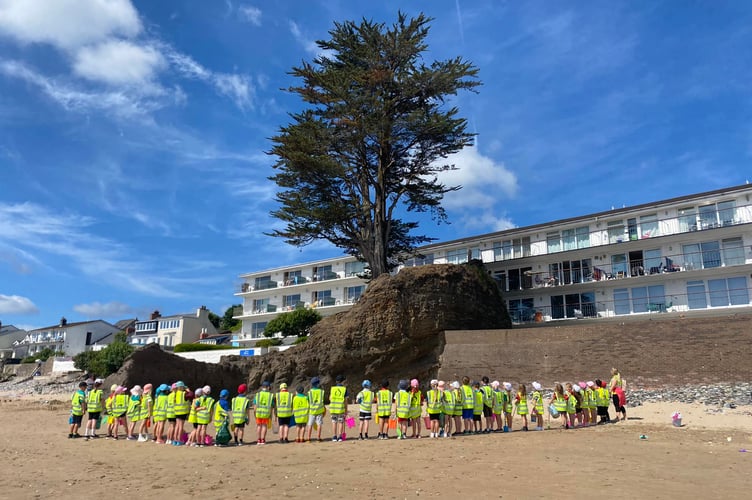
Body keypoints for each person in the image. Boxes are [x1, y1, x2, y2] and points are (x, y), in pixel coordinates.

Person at [329, 374, 348, 442]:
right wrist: (346, 410)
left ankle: (334, 436)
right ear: (342, 381)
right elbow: (345, 401)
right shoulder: (344, 389)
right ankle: (340, 436)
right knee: (340, 422)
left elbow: (330, 398)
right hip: (340, 409)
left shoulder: (333, 389)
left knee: (334, 422)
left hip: (333, 408)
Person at [306, 377, 325, 442]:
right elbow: (323, 400)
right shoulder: (321, 392)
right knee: (319, 424)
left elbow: (308, 400)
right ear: (318, 384)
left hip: (312, 410)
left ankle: (308, 437)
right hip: (319, 410)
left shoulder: (309, 392)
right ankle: (318, 437)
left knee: (310, 424)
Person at [173, 381, 190, 446]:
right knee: (180, 426)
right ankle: (179, 440)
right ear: (181, 387)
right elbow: (191, 394)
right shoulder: (184, 393)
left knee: (177, 426)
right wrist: (188, 390)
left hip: (177, 411)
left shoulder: (176, 393)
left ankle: (175, 439)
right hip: (182, 412)